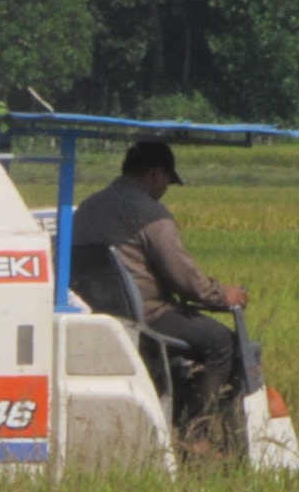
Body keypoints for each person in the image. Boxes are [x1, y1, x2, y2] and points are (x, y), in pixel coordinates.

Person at [72, 140, 247, 453]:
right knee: (221, 343)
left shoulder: (88, 208)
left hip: (101, 314)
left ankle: (177, 408)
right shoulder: (151, 216)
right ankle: (194, 431)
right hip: (147, 315)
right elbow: (183, 278)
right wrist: (222, 295)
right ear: (155, 174)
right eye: (167, 181)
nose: (166, 188)